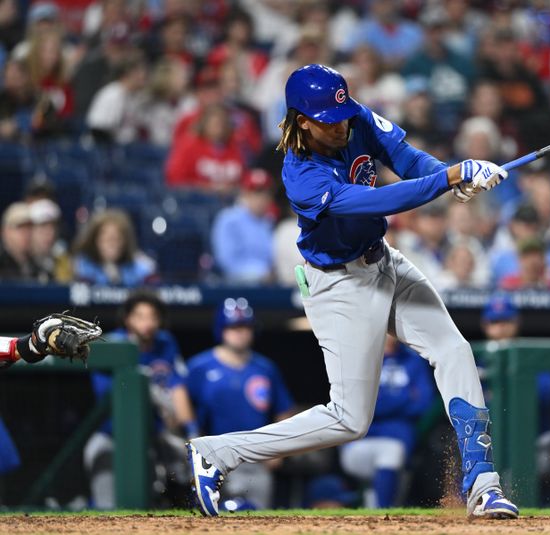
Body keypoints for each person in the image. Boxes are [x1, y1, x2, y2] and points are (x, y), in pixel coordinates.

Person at [186, 64, 518, 519]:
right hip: (339, 285)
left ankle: (483, 485)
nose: (340, 124)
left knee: (454, 350)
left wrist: (449, 175)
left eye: (341, 114)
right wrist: (448, 178)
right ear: (302, 120)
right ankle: (217, 453)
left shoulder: (350, 115)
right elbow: (380, 199)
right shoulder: (300, 174)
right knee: (349, 419)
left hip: (382, 258)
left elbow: (405, 157)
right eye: (327, 119)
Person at [176, 298, 296, 510]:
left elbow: (283, 410)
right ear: (221, 330)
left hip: (255, 458)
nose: (240, 333)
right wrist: (191, 436)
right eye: (233, 327)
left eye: (245, 327)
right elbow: (180, 399)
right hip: (215, 457)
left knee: (258, 518)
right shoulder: (200, 367)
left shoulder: (265, 368)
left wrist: (279, 450)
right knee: (210, 521)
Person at [480, 294, 550, 507]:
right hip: (493, 456)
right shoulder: (479, 361)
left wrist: (504, 391)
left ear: (516, 323)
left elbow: (546, 394)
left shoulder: (530, 357)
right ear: (486, 325)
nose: (501, 328)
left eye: (506, 321)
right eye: (495, 322)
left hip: (533, 449)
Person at [83, 291, 186, 509]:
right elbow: (113, 398)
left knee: (185, 464)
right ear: (128, 319)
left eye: (152, 317)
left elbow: (178, 388)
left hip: (154, 436)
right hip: (113, 436)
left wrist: (187, 428)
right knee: (107, 506)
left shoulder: (165, 343)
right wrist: (152, 393)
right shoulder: (110, 344)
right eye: (140, 316)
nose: (147, 323)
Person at [339, 336, 435, 508]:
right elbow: (357, 404)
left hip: (401, 442)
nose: (389, 333)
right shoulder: (361, 359)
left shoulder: (413, 360)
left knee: (392, 455)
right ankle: (381, 513)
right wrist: (405, 397)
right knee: (390, 454)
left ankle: (379, 516)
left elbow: (424, 403)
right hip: (360, 441)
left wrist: (379, 401)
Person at [211, 169, 276, 284]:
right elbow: (226, 262)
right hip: (235, 287)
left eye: (265, 194)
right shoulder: (228, 219)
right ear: (244, 194)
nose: (261, 199)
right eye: (256, 193)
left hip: (266, 287)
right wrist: (261, 273)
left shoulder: (268, 222)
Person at [72, 209, 157, 287]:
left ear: (125, 242)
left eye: (117, 239)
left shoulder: (140, 268)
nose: (112, 245)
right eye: (107, 239)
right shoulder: (81, 267)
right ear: (95, 241)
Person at [86, 53, 149, 144]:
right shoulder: (112, 94)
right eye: (140, 71)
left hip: (125, 150)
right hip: (101, 150)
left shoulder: (135, 96)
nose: (144, 75)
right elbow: (97, 130)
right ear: (128, 73)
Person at [29, 198, 71, 283]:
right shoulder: (21, 261)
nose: (49, 234)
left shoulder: (61, 259)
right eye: (43, 227)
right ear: (31, 229)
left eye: (53, 228)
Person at [0, 201, 38, 280]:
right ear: (4, 231)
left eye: (29, 227)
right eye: (20, 227)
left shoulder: (38, 266)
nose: (26, 233)